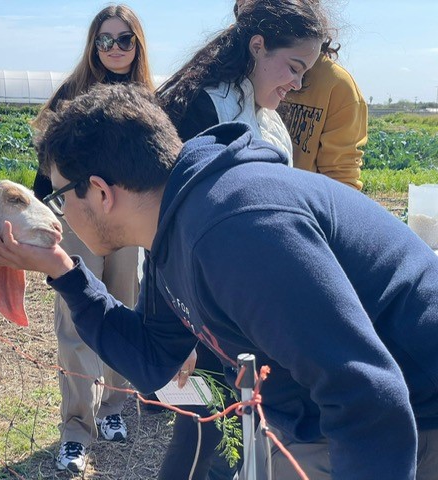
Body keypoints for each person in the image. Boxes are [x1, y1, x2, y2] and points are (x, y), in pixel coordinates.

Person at [0, 81, 438, 480]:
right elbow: (155, 358)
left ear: (102, 193)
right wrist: (64, 272)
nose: (60, 212)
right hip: (332, 412)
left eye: (60, 195)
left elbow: (366, 394)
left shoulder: (233, 230)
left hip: (415, 413)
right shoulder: (174, 231)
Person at [154, 0, 326, 477]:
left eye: (304, 73)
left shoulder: (267, 119)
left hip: (250, 306)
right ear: (257, 46)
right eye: (293, 67)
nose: (297, 82)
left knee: (245, 430)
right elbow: (173, 223)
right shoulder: (204, 108)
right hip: (204, 302)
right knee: (203, 426)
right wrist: (183, 329)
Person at [30, 4, 155, 473]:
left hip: (128, 225)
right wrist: (45, 219)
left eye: (125, 39)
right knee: (76, 324)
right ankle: (75, 429)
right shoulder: (72, 93)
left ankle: (113, 410)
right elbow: (45, 169)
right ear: (92, 45)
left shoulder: (150, 98)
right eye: (105, 40)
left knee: (122, 312)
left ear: (137, 44)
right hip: (79, 220)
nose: (115, 48)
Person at [277, 37, 368, 190]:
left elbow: (340, 180)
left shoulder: (337, 85)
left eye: (295, 68)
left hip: (305, 208)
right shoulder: (236, 71)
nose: (295, 83)